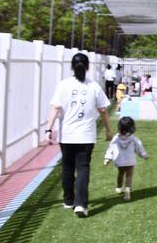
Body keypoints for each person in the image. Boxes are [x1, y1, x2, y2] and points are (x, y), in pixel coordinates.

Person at [45, 53, 112, 218]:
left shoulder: (63, 85)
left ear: (72, 67)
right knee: (83, 168)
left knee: (67, 167)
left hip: (67, 135)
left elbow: (55, 108)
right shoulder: (94, 86)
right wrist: (109, 130)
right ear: (87, 67)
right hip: (86, 136)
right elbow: (103, 110)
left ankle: (69, 200)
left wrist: (48, 130)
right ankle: (81, 204)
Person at [103, 117, 149, 201]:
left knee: (120, 173)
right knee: (129, 176)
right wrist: (144, 155)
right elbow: (139, 146)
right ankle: (127, 190)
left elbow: (111, 148)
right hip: (130, 161)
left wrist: (107, 158)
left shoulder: (116, 138)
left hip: (119, 160)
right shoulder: (133, 138)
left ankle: (119, 187)